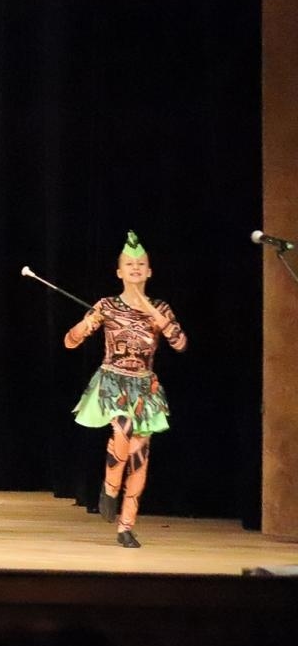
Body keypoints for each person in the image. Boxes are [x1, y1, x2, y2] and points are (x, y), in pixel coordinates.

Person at [64, 231, 186, 548]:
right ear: (119, 271)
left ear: (149, 271)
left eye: (141, 264)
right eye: (129, 264)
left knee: (139, 455)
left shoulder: (161, 307)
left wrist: (152, 312)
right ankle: (109, 488)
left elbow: (180, 343)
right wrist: (88, 324)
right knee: (122, 427)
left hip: (145, 387)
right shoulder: (107, 305)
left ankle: (126, 526)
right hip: (113, 382)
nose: (135, 268)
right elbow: (70, 341)